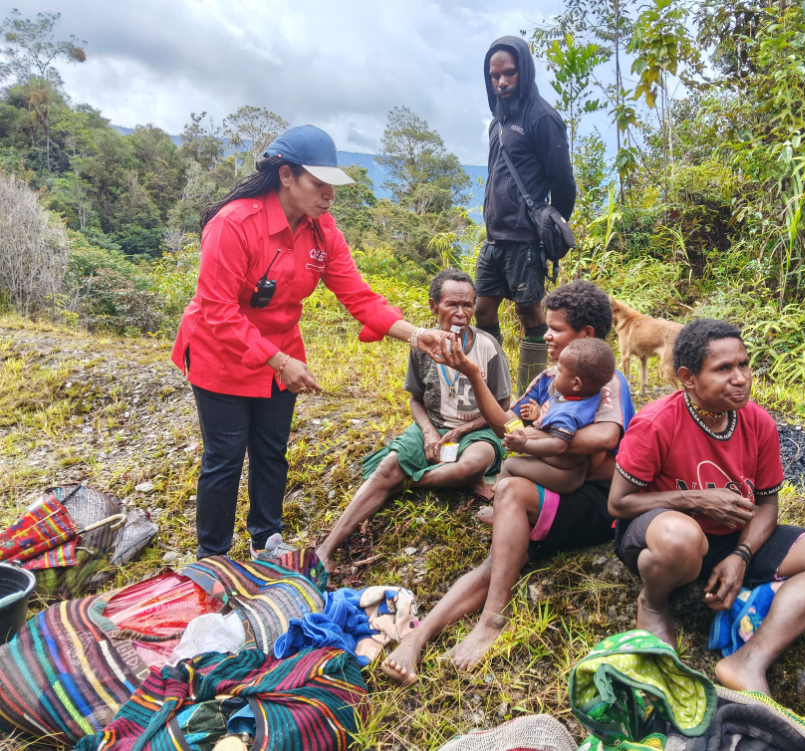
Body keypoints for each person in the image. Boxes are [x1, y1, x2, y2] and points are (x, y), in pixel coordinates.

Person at [171, 124, 450, 560]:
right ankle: (213, 557)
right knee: (224, 456)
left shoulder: (323, 232)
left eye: (332, 185)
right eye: (319, 183)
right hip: (220, 351)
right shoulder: (234, 224)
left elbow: (358, 296)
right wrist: (278, 361)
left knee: (272, 449)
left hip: (281, 352)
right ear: (286, 175)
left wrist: (416, 335)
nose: (329, 195)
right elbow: (217, 309)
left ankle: (266, 540)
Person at [380, 281, 634, 685]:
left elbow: (605, 437)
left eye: (556, 329)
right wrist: (472, 373)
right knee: (498, 561)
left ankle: (492, 620)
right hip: (551, 489)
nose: (545, 335)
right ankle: (417, 638)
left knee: (511, 496)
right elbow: (506, 423)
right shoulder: (551, 378)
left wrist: (535, 439)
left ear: (585, 334)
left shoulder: (605, 382)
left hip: (593, 499)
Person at [607, 319, 805, 696]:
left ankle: (749, 661)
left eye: (743, 364)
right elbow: (619, 503)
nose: (741, 378)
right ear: (688, 378)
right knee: (680, 536)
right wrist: (696, 499)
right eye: (723, 369)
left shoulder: (758, 422)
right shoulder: (656, 423)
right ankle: (653, 602)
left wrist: (741, 555)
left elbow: (766, 503)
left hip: (730, 539)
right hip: (664, 539)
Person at [315, 269, 512, 571]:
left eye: (468, 305)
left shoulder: (488, 347)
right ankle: (325, 550)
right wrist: (429, 432)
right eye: (452, 305)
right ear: (434, 306)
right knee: (386, 467)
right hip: (434, 425)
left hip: (477, 431)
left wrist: (464, 429)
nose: (461, 313)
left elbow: (503, 408)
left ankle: (402, 483)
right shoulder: (422, 345)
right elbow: (415, 399)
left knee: (471, 465)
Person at [476, 35, 577, 391]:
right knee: (482, 311)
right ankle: (493, 391)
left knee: (529, 314)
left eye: (509, 73)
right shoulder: (497, 122)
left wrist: (549, 229)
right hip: (494, 238)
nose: (502, 82)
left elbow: (563, 182)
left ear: (524, 71)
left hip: (525, 239)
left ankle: (529, 397)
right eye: (494, 76)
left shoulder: (543, 118)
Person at [500, 338, 617, 494]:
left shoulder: (568, 413)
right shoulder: (579, 397)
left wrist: (524, 445)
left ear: (576, 384)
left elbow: (559, 445)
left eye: (560, 372)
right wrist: (540, 414)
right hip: (569, 467)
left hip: (562, 474)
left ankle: (497, 502)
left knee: (510, 465)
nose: (554, 375)